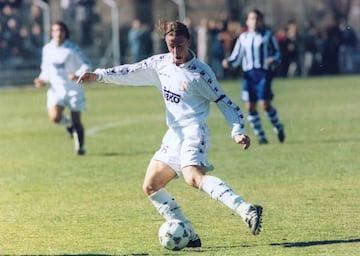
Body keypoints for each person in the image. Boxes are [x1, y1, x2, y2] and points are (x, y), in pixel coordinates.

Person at [77, 20, 263, 247]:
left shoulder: (200, 74)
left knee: (193, 177)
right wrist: (100, 75)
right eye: (171, 45)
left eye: (180, 46)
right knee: (151, 185)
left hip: (194, 132)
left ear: (189, 42)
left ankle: (246, 209)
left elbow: (225, 102)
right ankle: (188, 232)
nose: (175, 51)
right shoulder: (160, 63)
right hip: (174, 134)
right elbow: (131, 71)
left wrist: (237, 131)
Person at [223, 9, 285, 144]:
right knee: (250, 106)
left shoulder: (268, 35)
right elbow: (236, 57)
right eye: (252, 18)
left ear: (261, 21)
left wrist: (273, 59)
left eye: (257, 18)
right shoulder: (243, 37)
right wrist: (228, 62)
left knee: (265, 105)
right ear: (247, 21)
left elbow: (278, 54)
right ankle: (261, 136)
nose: (254, 21)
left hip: (263, 74)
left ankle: (278, 126)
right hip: (248, 75)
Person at [34, 21, 92, 155]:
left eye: (61, 30)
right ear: (51, 33)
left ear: (65, 33)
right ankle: (69, 124)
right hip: (56, 89)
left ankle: (80, 148)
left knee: (77, 119)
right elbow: (46, 70)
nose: (58, 33)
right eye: (55, 30)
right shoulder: (47, 49)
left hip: (73, 89)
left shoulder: (72, 49)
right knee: (54, 117)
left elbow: (87, 65)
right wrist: (42, 79)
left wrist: (77, 74)